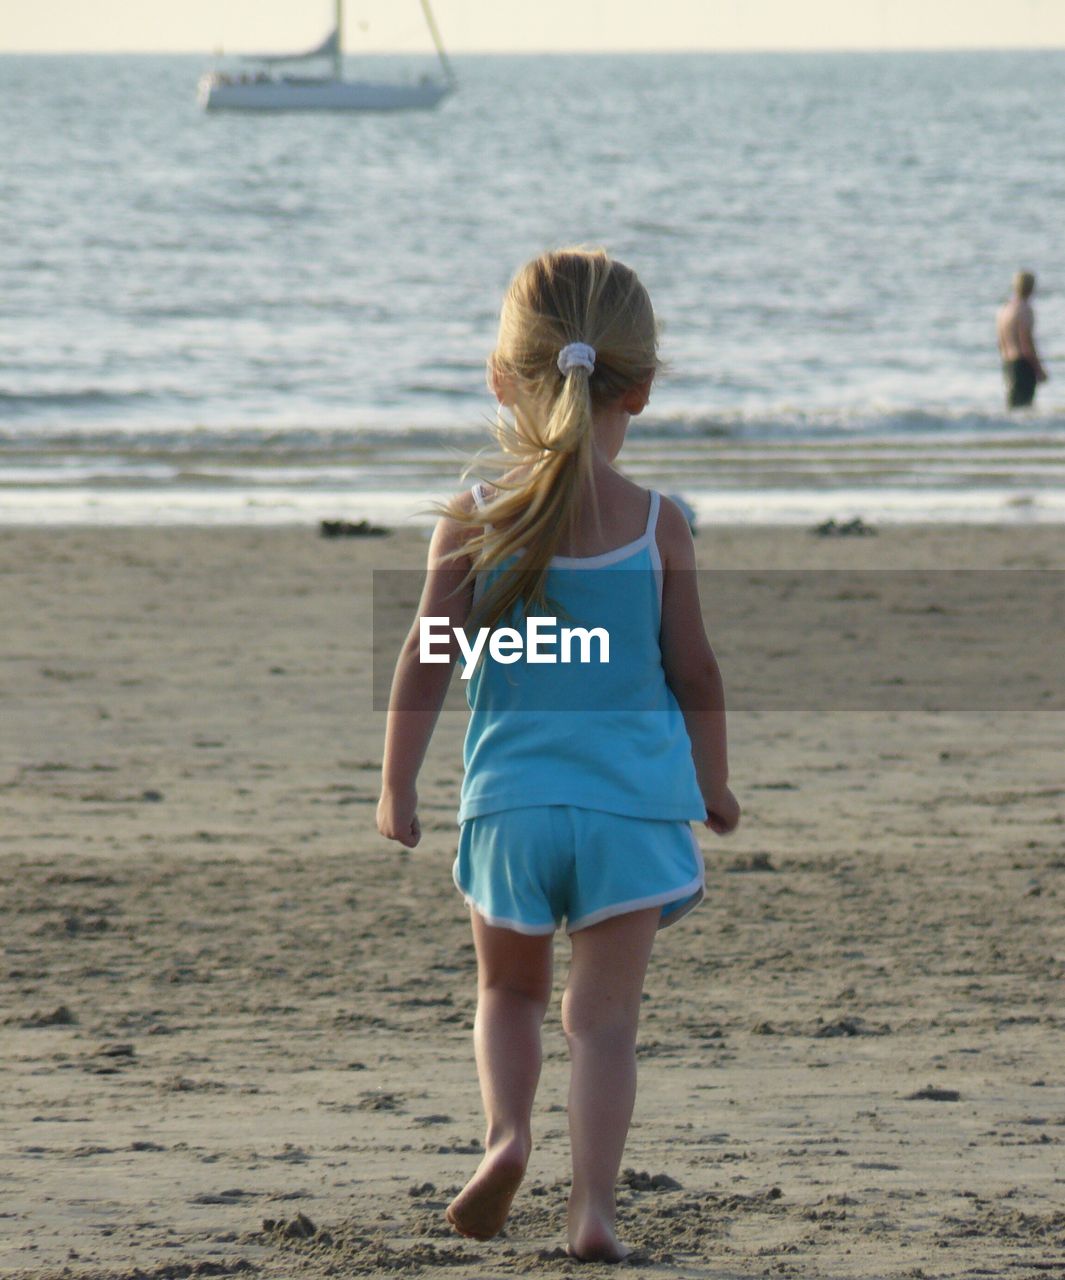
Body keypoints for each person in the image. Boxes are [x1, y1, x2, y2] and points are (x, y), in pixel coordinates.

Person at [376, 248, 739, 1263]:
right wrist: (713, 785)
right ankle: (593, 1210)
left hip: (511, 807)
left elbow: (425, 658)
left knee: (511, 993)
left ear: (502, 377)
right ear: (645, 388)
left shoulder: (473, 519)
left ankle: (506, 1136)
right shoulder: (660, 524)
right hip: (627, 812)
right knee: (604, 1019)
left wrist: (398, 780)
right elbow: (697, 671)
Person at [997, 271, 1048, 409]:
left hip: (1008, 362)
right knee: (1024, 408)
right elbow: (1026, 344)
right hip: (1023, 364)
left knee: (1012, 406)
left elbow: (1000, 342)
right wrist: (1038, 369)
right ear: (1031, 287)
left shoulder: (1005, 309)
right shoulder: (1024, 309)